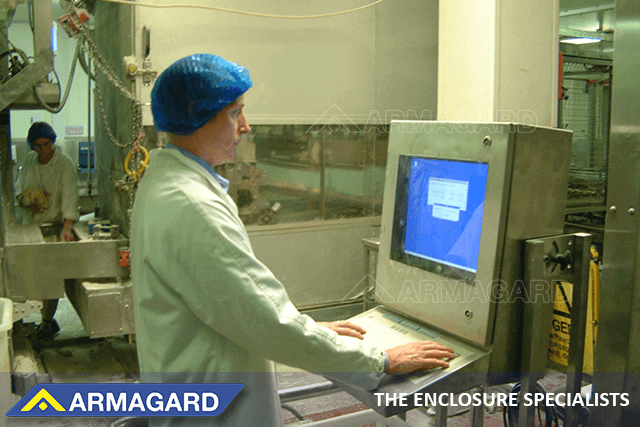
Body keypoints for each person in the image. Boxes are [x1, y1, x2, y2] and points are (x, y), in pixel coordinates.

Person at [130, 54, 455, 426]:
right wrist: (379, 361)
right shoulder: (193, 206)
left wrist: (310, 331)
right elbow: (264, 321)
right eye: (236, 113)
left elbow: (237, 308)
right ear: (199, 114)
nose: (247, 126)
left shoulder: (163, 183)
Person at [15, 121, 79, 340]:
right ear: (31, 145)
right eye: (37, 145)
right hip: (31, 225)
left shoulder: (64, 164)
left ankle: (47, 321)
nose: (42, 149)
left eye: (46, 143)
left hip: (54, 226)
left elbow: (70, 196)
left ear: (52, 142)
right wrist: (25, 202)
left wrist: (68, 227)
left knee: (50, 277)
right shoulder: (29, 161)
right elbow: (19, 189)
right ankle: (27, 318)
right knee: (30, 276)